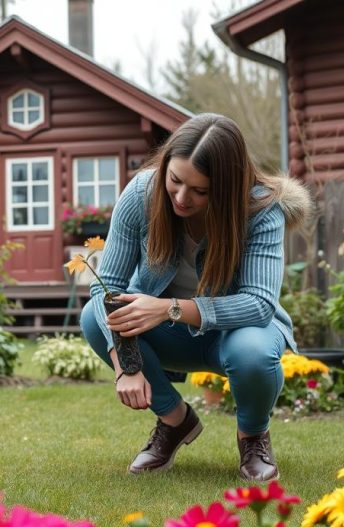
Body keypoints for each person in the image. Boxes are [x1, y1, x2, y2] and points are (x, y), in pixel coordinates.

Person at [80, 113, 311, 482]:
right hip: (168, 335)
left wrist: (170, 308)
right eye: (175, 181)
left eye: (200, 191)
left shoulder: (260, 211)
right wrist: (127, 365)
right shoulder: (141, 193)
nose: (182, 198)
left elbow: (259, 304)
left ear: (227, 189)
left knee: (252, 351)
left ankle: (252, 436)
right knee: (95, 316)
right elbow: (105, 286)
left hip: (236, 336)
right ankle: (174, 421)